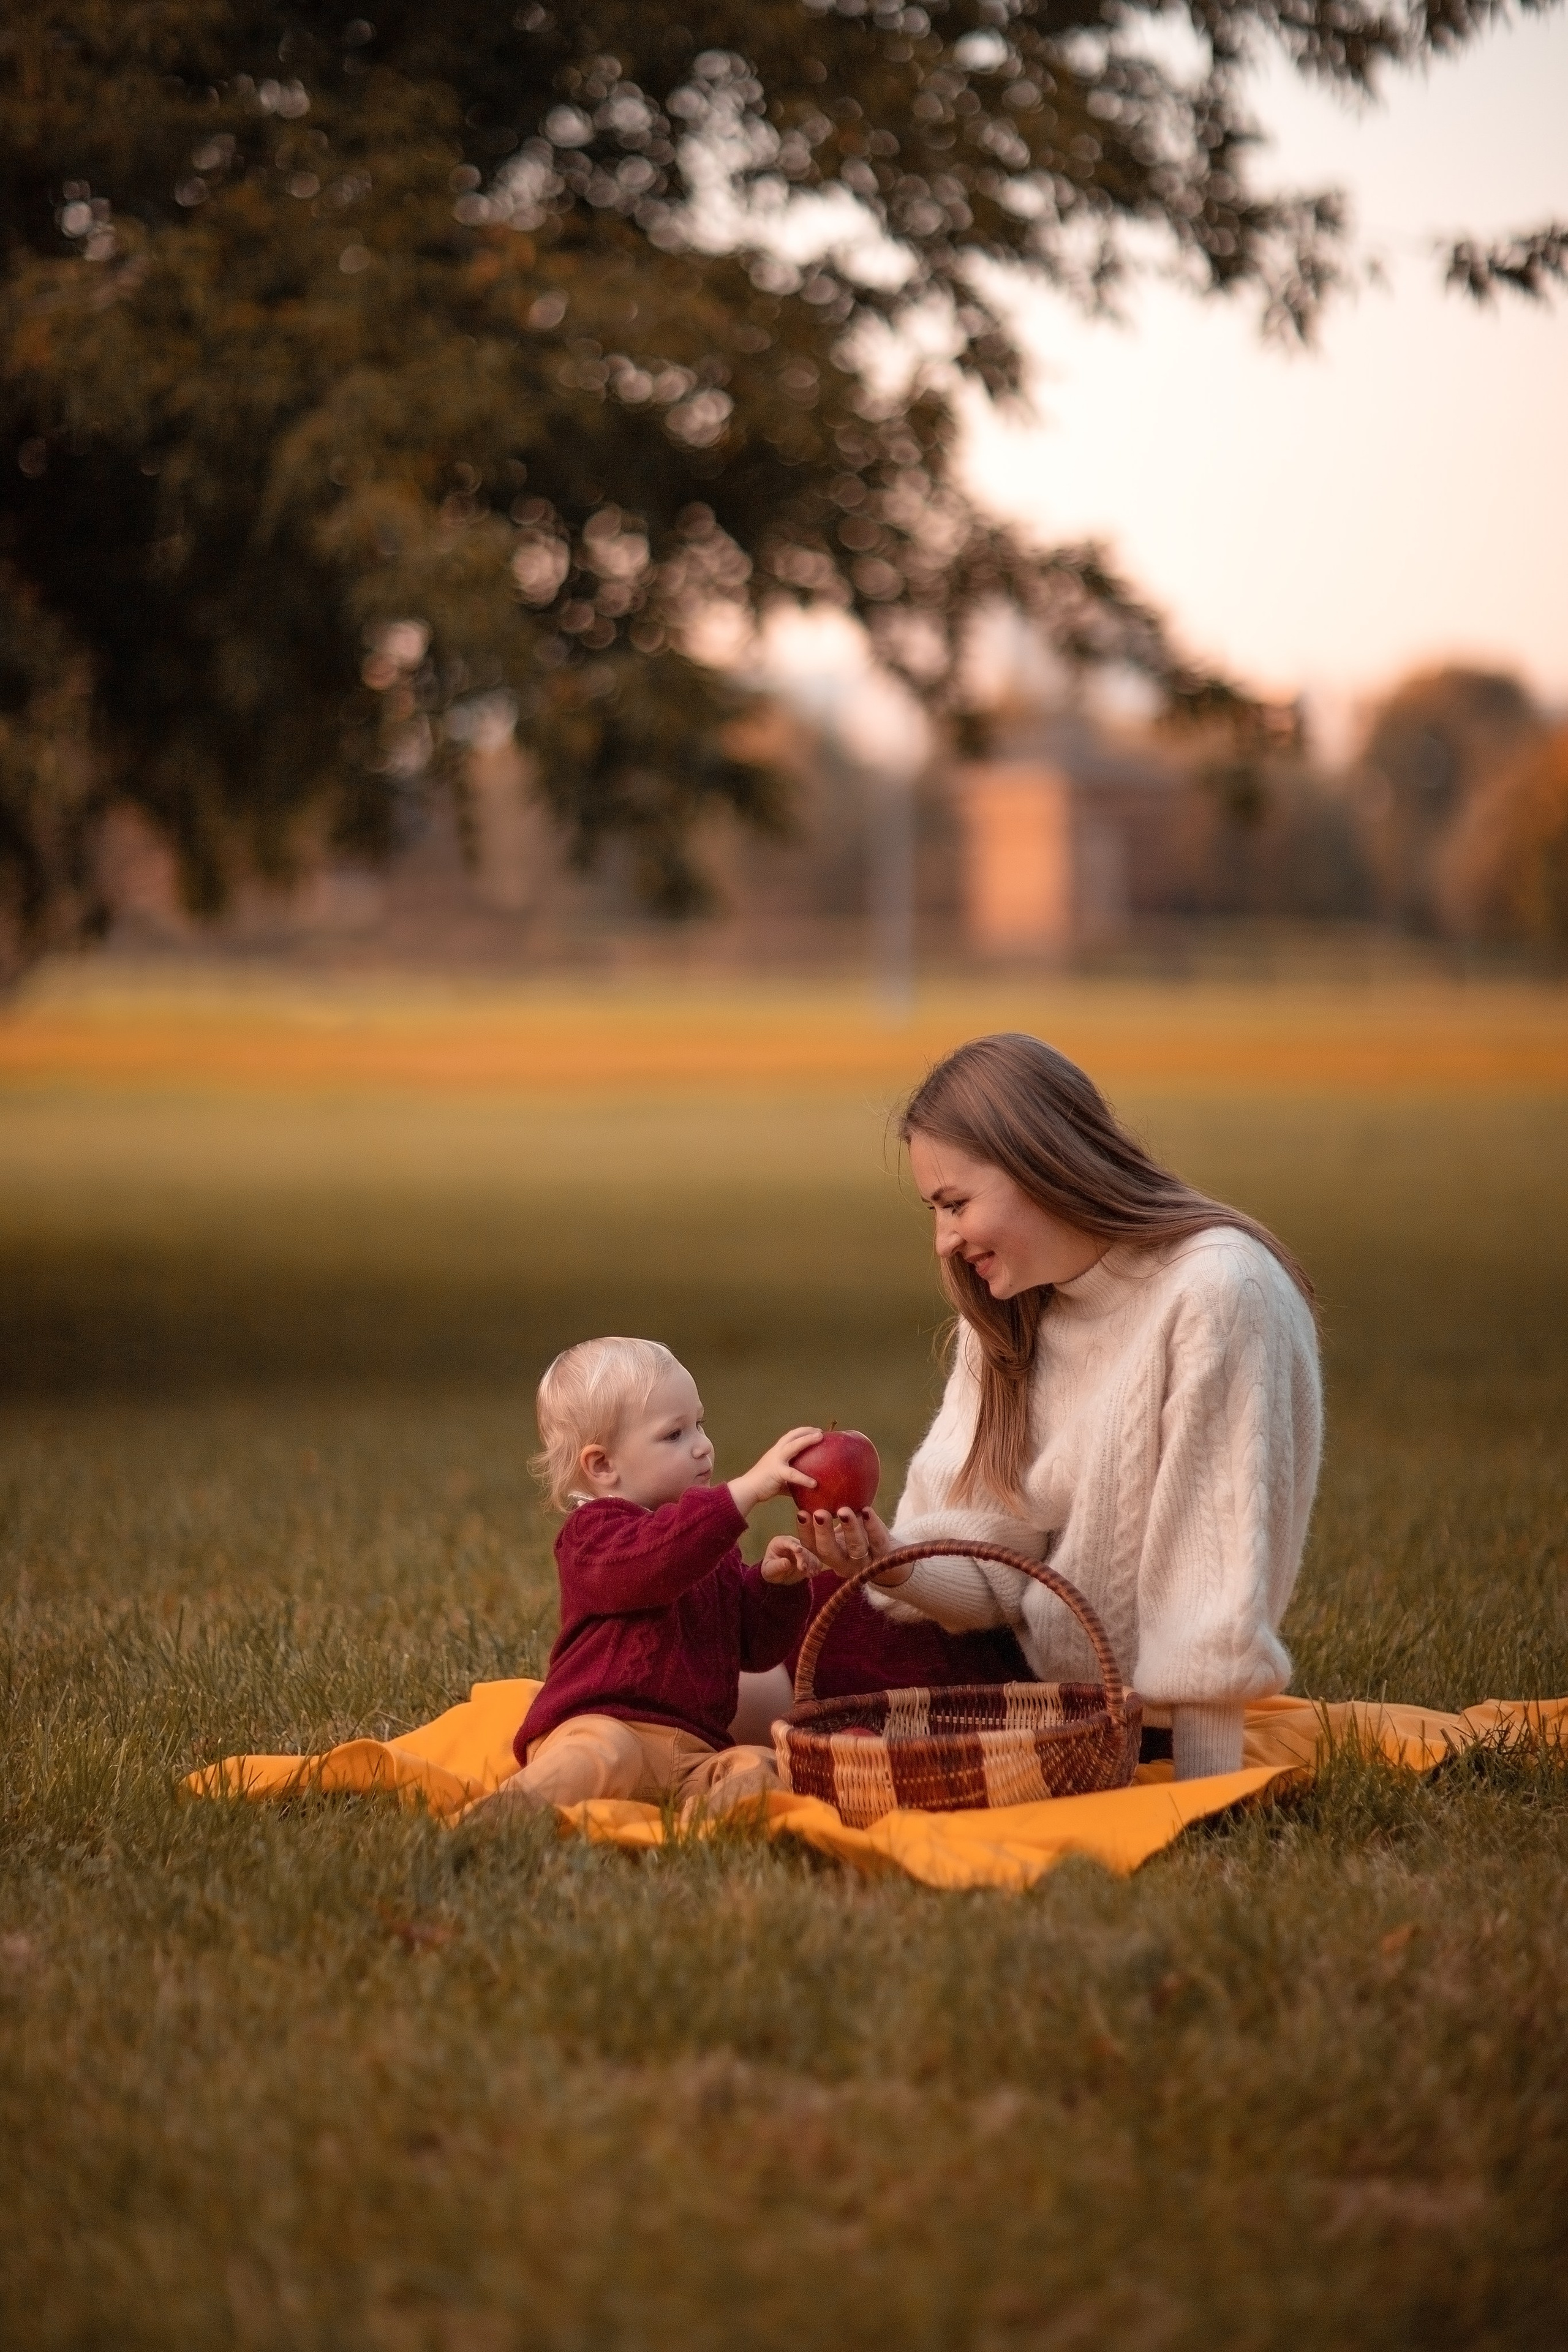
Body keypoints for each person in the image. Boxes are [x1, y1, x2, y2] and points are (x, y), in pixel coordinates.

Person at [799, 1033, 1323, 1782]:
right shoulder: (1011, 1307)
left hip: (1108, 1717)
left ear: (1040, 1163)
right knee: (738, 1626)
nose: (944, 1240)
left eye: (955, 1204)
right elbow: (997, 1565)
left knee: (727, 1693)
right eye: (934, 1211)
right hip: (1008, 1664)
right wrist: (889, 1563)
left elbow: (1210, 1581)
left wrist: (1203, 1793)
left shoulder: (1217, 1293)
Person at [469, 1336, 821, 1822]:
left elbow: (755, 1651)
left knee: (758, 1766)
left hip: (693, 1751)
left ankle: (703, 1828)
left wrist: (773, 1585)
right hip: (608, 1726)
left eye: (699, 1424)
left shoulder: (705, 1547)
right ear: (603, 1466)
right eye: (674, 1435)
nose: (702, 1446)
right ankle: (498, 1820)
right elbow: (654, 1565)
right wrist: (743, 1493)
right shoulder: (593, 1537)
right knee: (596, 1757)